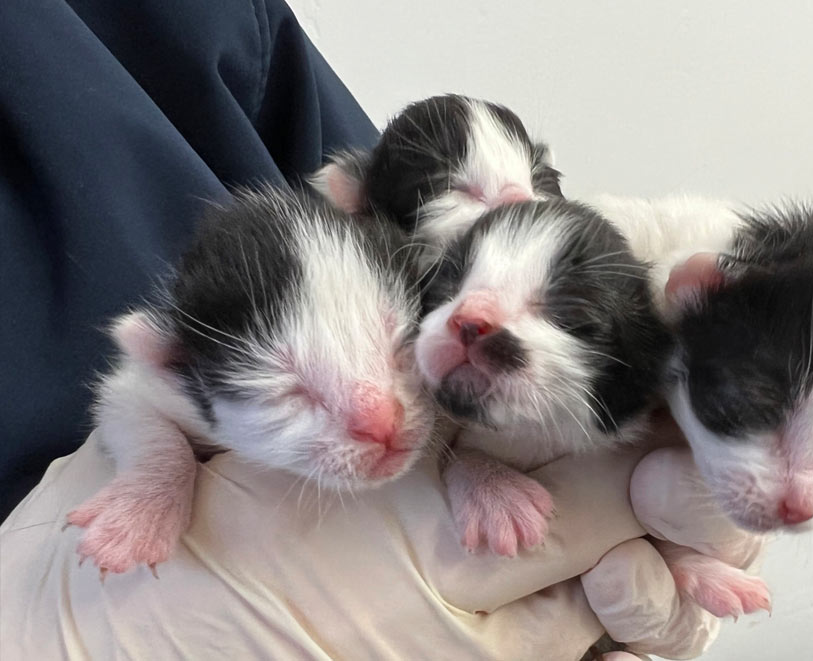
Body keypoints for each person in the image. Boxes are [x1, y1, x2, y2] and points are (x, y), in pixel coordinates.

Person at [0, 1, 722, 658]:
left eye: (398, 345)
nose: (380, 420)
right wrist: (157, 481)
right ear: (174, 362)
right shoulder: (176, 364)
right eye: (287, 391)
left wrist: (481, 467)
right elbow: (132, 399)